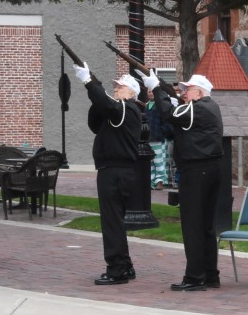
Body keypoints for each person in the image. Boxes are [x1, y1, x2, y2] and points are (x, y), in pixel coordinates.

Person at [141, 71, 224, 291]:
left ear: (199, 92)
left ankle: (195, 277)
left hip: (196, 171)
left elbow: (168, 113)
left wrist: (157, 88)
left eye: (187, 89)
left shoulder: (200, 107)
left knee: (193, 225)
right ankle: (209, 274)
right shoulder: (208, 107)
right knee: (205, 226)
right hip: (209, 170)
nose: (183, 92)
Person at [73, 64, 142, 285]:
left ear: (131, 92)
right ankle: (124, 264)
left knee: (112, 222)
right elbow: (95, 122)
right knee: (115, 221)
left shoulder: (126, 108)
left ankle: (117, 269)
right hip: (114, 170)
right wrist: (96, 92)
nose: (117, 89)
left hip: (116, 171)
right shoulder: (118, 110)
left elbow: (107, 105)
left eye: (121, 87)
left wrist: (89, 83)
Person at [146, 88, 174, 189]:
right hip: (149, 138)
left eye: (153, 92)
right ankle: (152, 181)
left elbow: (166, 122)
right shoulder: (146, 106)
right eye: (149, 92)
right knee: (151, 161)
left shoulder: (160, 106)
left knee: (159, 161)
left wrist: (163, 132)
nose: (151, 94)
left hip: (158, 137)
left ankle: (161, 180)